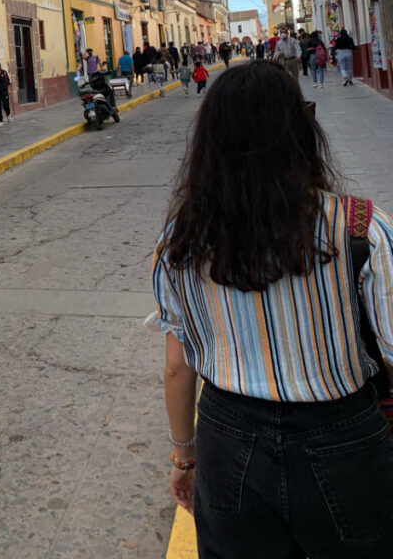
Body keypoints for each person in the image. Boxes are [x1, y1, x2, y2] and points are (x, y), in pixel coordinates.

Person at [151, 62, 393, 558]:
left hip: (228, 440)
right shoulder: (360, 228)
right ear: (302, 133)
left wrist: (184, 456)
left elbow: (178, 366)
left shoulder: (180, 242)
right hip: (343, 437)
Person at [0, 60, 12, 125]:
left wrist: (8, 90)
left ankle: (8, 115)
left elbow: (8, 82)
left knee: (5, 105)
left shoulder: (4, 72)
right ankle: (1, 121)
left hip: (4, 91)